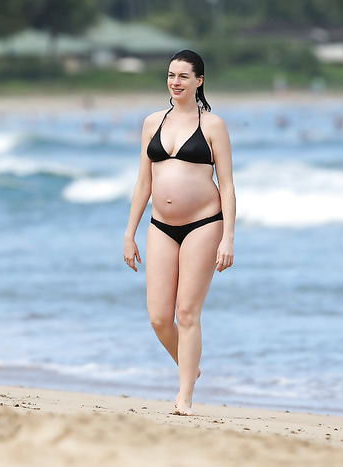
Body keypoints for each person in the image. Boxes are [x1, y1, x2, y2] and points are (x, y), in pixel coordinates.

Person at [123, 50, 236, 416]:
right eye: (171, 75)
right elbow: (143, 183)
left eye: (184, 76)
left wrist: (228, 237)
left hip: (204, 224)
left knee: (186, 312)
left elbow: (227, 185)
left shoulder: (213, 125)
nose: (176, 82)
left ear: (199, 81)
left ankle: (184, 394)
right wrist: (129, 234)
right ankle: (191, 367)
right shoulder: (152, 122)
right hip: (160, 226)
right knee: (159, 317)